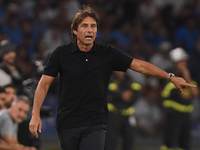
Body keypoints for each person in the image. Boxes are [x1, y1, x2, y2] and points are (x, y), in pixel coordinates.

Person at [29, 5, 196, 150]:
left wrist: (170, 76)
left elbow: (139, 65)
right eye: (85, 26)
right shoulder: (61, 53)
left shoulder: (107, 53)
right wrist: (35, 114)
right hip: (67, 122)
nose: (90, 30)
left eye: (93, 26)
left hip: (96, 122)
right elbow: (44, 85)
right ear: (75, 30)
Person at [160, 47, 199, 150]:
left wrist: (188, 76)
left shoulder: (187, 75)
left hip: (185, 115)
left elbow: (196, 93)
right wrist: (189, 91)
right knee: (169, 142)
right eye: (182, 61)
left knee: (184, 143)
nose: (184, 63)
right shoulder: (168, 75)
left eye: (185, 61)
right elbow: (184, 95)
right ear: (175, 62)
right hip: (172, 114)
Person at [105, 71, 141, 150]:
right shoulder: (110, 78)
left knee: (129, 139)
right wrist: (122, 94)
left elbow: (137, 91)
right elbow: (109, 90)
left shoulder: (130, 79)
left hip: (128, 116)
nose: (119, 71)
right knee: (111, 140)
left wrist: (125, 94)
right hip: (113, 115)